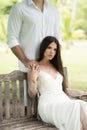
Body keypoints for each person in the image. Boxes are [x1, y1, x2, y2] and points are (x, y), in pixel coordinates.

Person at [28, 36, 87, 130]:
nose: (52, 52)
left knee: (82, 107)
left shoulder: (56, 67)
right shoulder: (35, 67)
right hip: (48, 106)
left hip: (63, 101)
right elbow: (32, 93)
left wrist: (84, 93)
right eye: (49, 48)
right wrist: (33, 79)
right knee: (77, 106)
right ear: (43, 48)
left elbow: (65, 91)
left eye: (55, 49)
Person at [7, 0, 62, 72]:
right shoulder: (19, 9)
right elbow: (12, 38)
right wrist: (25, 61)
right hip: (30, 68)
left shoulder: (52, 10)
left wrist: (56, 59)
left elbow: (57, 36)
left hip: (51, 68)